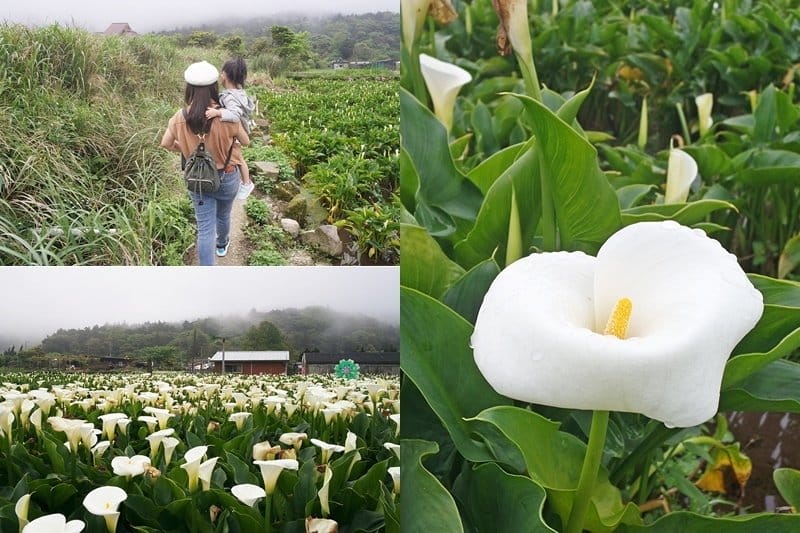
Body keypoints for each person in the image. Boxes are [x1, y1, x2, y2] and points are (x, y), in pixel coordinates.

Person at [160, 60, 250, 265]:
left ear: (188, 89)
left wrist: (186, 149)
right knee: (224, 214)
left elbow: (165, 143)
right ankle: (222, 244)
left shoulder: (179, 117)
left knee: (205, 228)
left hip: (198, 180)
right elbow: (245, 141)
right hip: (227, 176)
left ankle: (206, 276)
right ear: (214, 87)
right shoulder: (228, 117)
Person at [205, 57, 256, 200]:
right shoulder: (239, 92)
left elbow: (234, 115)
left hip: (239, 131)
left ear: (226, 75)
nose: (220, 76)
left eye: (222, 73)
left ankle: (246, 183)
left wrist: (218, 112)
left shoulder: (229, 97)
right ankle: (244, 181)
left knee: (239, 159)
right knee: (238, 158)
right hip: (242, 129)